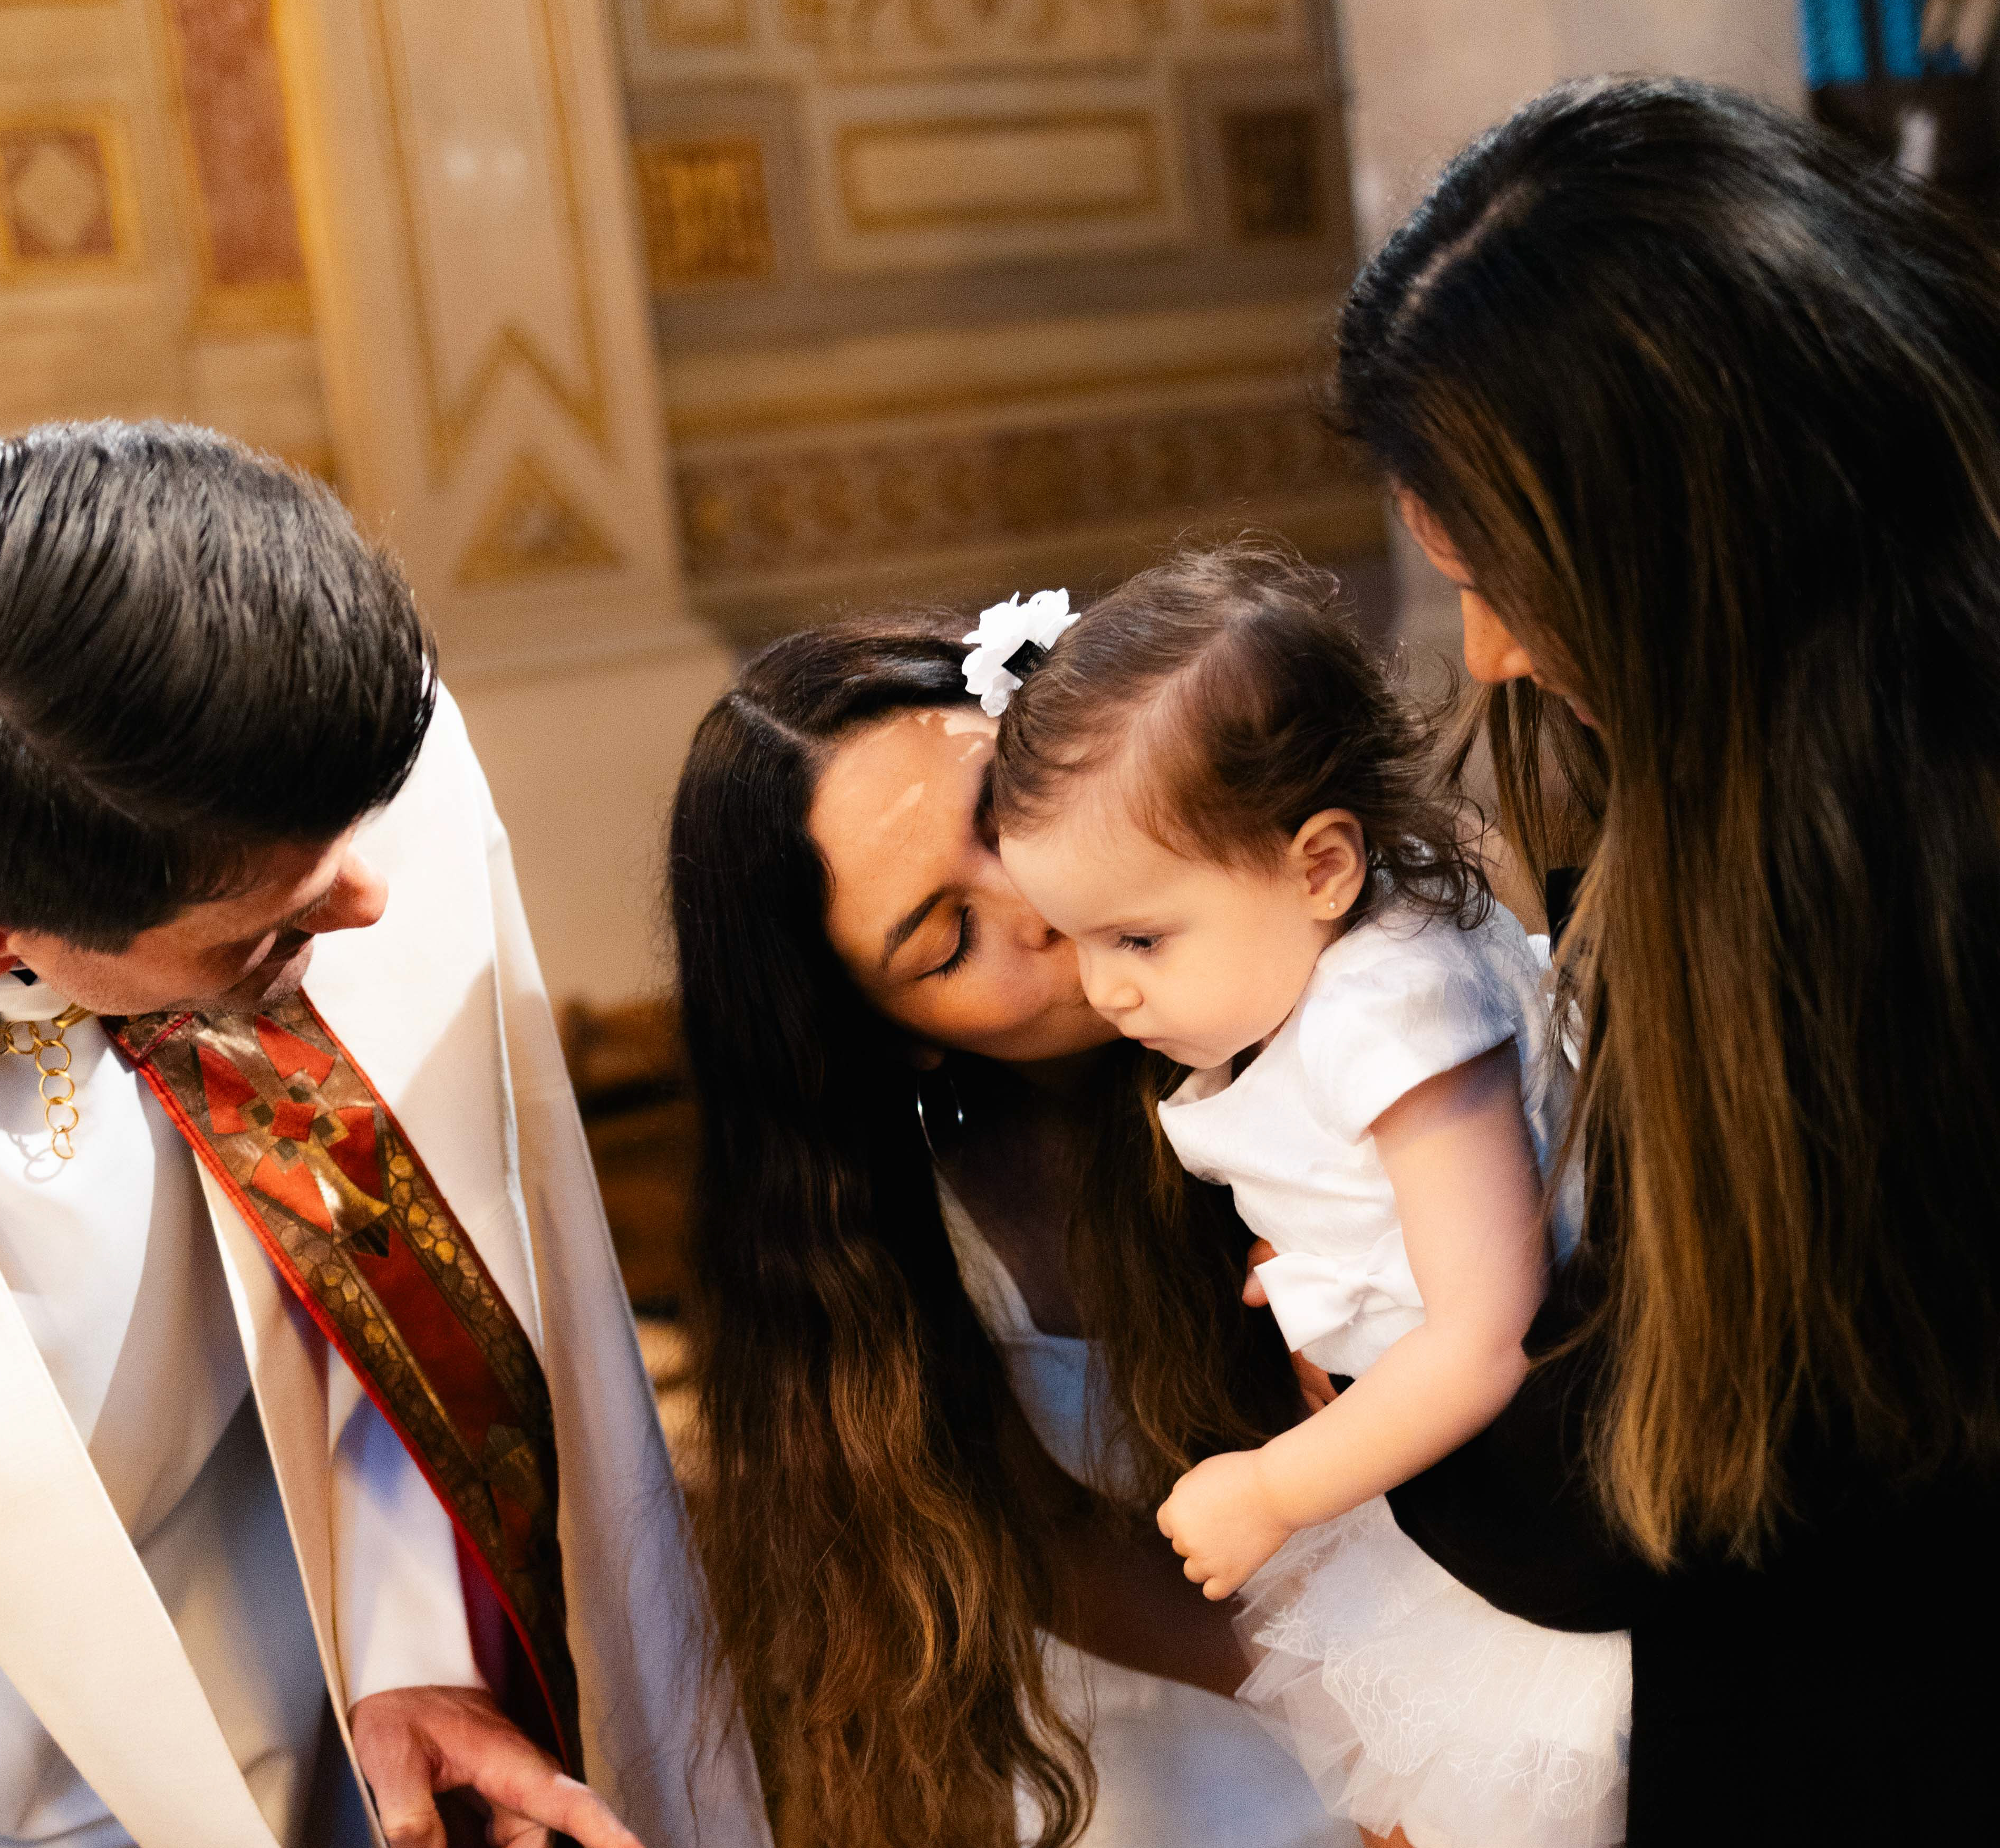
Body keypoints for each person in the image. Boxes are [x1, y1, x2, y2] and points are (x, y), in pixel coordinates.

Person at [0, 400, 765, 1848]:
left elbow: (424, 1282)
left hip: (313, 1743)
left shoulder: (279, 716)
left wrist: (414, 1640)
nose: (371, 901)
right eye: (271, 930)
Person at [1334, 78, 2000, 1837]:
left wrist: (1377, 1374)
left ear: (1689, 524)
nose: (1488, 653)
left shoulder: (1859, 905)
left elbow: (1681, 1492)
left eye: (1508, 579)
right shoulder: (1821, 757)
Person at [666, 614, 1357, 1848]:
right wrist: (1378, 1742)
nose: (1031, 899)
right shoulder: (888, 1236)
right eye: (947, 939)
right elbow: (1068, 1557)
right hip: (1206, 1746)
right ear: (892, 1038)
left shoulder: (1326, 974)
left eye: (1003, 817)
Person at [984, 548, 1625, 1848]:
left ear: (1320, 867)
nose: (1104, 991)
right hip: (1450, 1474)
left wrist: (1275, 1489)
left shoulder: (1390, 1016)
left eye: (1137, 939)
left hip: (1539, 1482)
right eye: (1074, 939)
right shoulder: (1323, 973)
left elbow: (1485, 1330)